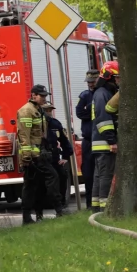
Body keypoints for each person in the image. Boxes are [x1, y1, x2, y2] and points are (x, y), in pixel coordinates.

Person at [16, 85, 63, 224]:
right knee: (49, 178)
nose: (44, 98)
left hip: (40, 153)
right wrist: (26, 156)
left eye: (45, 96)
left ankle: (35, 216)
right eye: (42, 96)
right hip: (32, 156)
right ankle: (58, 210)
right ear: (33, 95)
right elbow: (24, 135)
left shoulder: (38, 110)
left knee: (35, 185)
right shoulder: (26, 111)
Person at [33, 102, 73, 220]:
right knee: (39, 187)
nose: (49, 112)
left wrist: (65, 157)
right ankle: (39, 215)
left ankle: (60, 209)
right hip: (40, 159)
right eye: (46, 110)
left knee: (61, 178)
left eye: (50, 110)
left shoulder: (55, 124)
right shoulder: (37, 124)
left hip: (54, 159)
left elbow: (65, 142)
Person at [90, 61, 120, 212]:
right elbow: (104, 119)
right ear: (109, 77)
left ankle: (96, 208)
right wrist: (112, 141)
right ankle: (105, 209)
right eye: (117, 78)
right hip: (105, 143)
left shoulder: (103, 92)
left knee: (99, 176)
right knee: (106, 176)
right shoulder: (103, 94)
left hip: (100, 142)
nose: (119, 81)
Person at [75, 69, 99, 209]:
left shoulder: (103, 94)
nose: (90, 84)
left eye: (92, 81)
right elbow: (79, 112)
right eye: (88, 82)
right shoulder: (84, 96)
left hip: (101, 139)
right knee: (88, 173)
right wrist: (92, 110)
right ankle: (90, 204)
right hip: (88, 140)